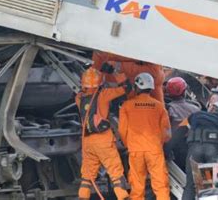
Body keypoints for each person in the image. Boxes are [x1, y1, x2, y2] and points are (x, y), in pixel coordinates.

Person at [76, 67, 131, 200]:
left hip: (88, 141)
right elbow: (127, 87)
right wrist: (112, 73)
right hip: (103, 140)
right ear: (100, 83)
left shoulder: (79, 98)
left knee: (87, 177)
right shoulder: (104, 95)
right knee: (116, 175)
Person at [118, 72, 171, 200]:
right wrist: (159, 143)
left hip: (135, 150)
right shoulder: (159, 106)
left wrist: (129, 144)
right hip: (154, 150)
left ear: (136, 87)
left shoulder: (127, 106)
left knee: (137, 185)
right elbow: (167, 132)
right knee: (161, 184)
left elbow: (122, 130)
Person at [175, 100, 218, 200]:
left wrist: (166, 150)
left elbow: (179, 133)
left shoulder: (195, 116)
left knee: (190, 186)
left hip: (194, 153)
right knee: (208, 186)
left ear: (213, 108)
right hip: (212, 154)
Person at [92, 51, 165, 102]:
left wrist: (120, 66)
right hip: (109, 95)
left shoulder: (149, 45)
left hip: (140, 96)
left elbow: (156, 74)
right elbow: (94, 70)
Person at [165, 77, 200, 170]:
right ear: (184, 91)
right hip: (193, 145)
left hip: (174, 147)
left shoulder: (168, 109)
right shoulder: (196, 108)